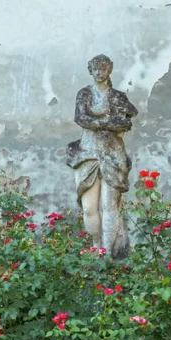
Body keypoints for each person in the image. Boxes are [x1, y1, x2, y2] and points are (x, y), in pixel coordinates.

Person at [66, 54, 138, 259]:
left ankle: (108, 252)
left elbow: (130, 116)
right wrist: (108, 123)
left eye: (103, 68)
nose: (99, 72)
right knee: (89, 208)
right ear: (91, 70)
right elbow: (81, 118)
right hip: (87, 153)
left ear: (109, 70)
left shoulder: (117, 96)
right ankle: (96, 246)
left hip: (112, 153)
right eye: (96, 68)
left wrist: (106, 121)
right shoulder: (85, 94)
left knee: (109, 206)